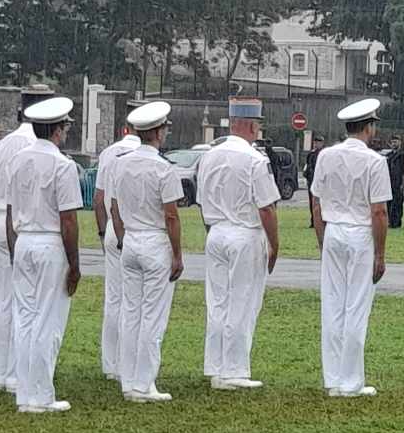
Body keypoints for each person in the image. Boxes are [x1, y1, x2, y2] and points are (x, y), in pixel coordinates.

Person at [1, 95, 83, 414]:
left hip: (23, 240)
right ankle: (41, 395)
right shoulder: (62, 165)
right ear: (59, 130)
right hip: (50, 242)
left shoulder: (17, 160)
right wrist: (74, 264)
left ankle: (26, 393)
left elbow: (9, 211)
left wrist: (13, 250)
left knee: (24, 319)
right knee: (48, 321)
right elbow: (68, 219)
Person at [195, 100, 281, 391]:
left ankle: (216, 366)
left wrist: (212, 229)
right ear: (250, 125)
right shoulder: (255, 159)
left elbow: (201, 200)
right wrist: (274, 244)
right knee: (242, 302)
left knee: (217, 301)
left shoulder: (209, 156)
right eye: (257, 124)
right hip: (245, 232)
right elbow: (267, 207)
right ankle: (234, 370)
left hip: (216, 230)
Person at [311, 98, 389, 397]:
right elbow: (379, 211)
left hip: (333, 231)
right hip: (359, 233)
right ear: (369, 128)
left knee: (332, 304)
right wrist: (380, 254)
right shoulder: (374, 161)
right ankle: (351, 381)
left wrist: (322, 240)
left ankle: (332, 378)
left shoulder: (326, 156)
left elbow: (317, 204)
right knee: (356, 306)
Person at [109, 101, 185, 402]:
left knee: (131, 312)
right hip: (154, 240)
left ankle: (129, 381)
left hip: (131, 240)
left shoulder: (121, 163)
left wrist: (123, 235)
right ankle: (145, 383)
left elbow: (114, 205)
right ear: (158, 132)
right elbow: (171, 215)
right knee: (153, 316)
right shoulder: (163, 168)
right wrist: (177, 254)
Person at [0, 114, 36, 392]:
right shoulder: (34, 146)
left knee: (1, 300)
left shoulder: (1, 146)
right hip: (21, 222)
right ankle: (16, 373)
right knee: (24, 300)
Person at [91, 118, 141, 382]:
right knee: (137, 301)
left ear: (125, 128)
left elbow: (99, 200)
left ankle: (110, 364)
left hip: (112, 225)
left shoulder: (109, 153)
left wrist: (103, 233)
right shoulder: (148, 156)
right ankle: (131, 362)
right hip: (139, 228)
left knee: (114, 297)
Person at [385, 136, 404, 230]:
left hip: (398, 182)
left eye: (396, 142)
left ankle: (397, 222)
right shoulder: (388, 155)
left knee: (397, 203)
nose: (394, 144)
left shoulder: (403, 155)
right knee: (389, 203)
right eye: (393, 142)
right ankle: (389, 222)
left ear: (400, 143)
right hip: (389, 183)